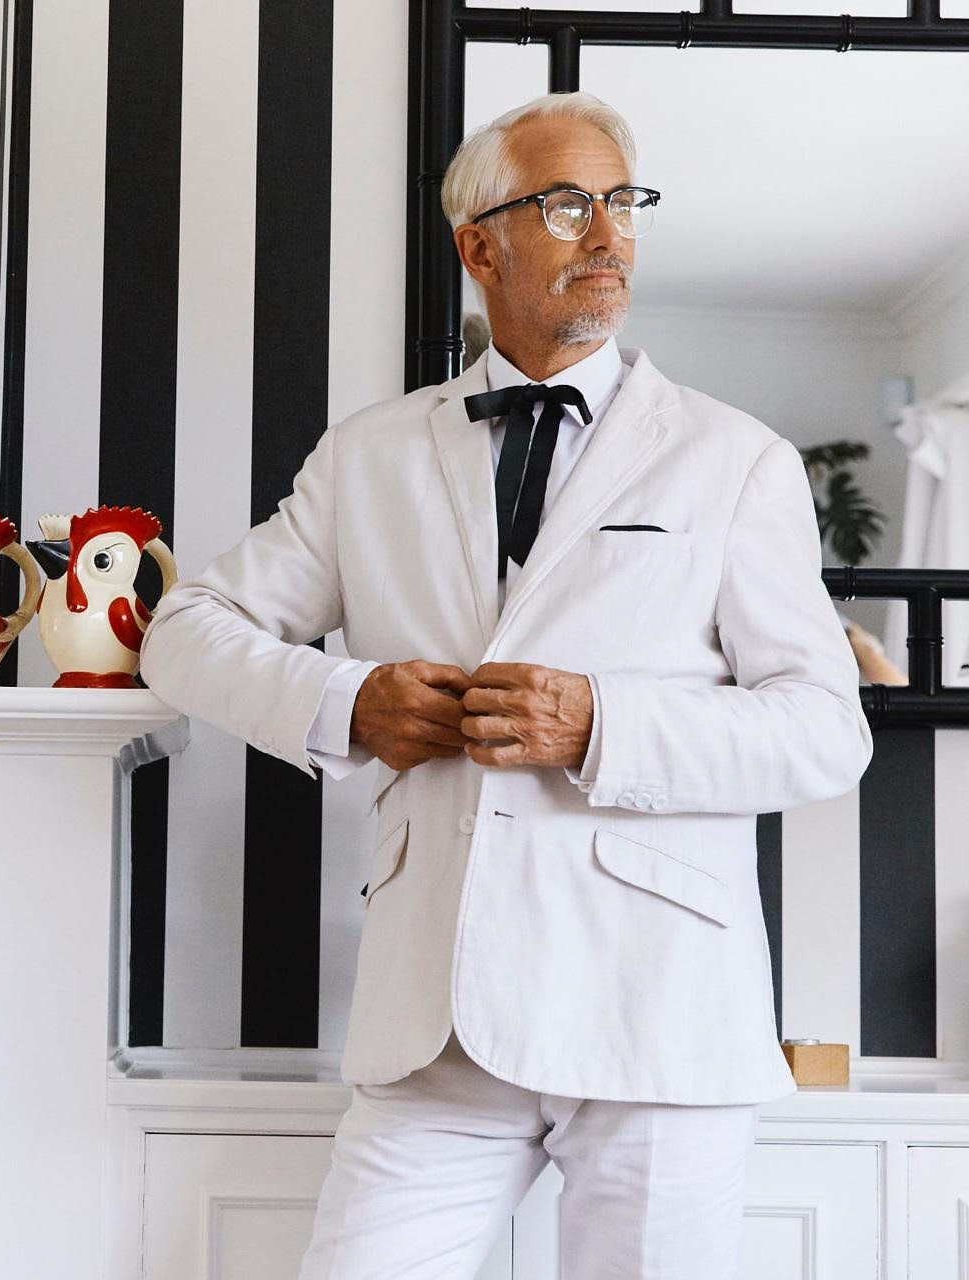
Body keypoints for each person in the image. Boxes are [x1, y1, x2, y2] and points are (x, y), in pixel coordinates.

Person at [138, 90, 873, 1280]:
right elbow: (184, 632)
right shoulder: (368, 453)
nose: (609, 233)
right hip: (437, 1018)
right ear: (478, 248)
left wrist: (598, 723)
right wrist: (347, 701)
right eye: (568, 204)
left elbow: (822, 731)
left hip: (657, 1012)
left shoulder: (735, 458)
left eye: (624, 202)